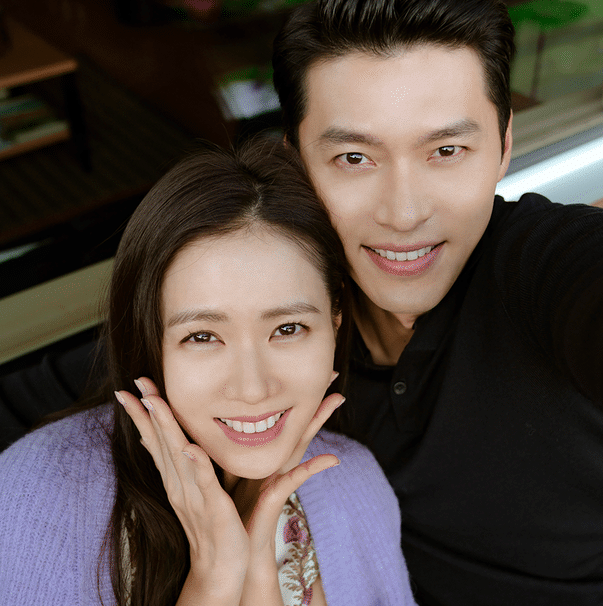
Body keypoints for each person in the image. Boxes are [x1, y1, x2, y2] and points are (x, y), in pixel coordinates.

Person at [271, 0, 603, 605]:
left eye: (446, 151)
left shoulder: (539, 266)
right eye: (354, 158)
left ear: (504, 145)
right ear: (297, 163)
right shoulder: (272, 317)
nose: (404, 214)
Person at [0, 139, 415, 606]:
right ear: (148, 337)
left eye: (288, 328)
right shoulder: (39, 492)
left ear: (335, 320)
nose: (253, 388)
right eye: (202, 336)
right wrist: (215, 576)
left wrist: (259, 573)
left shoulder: (351, 483)